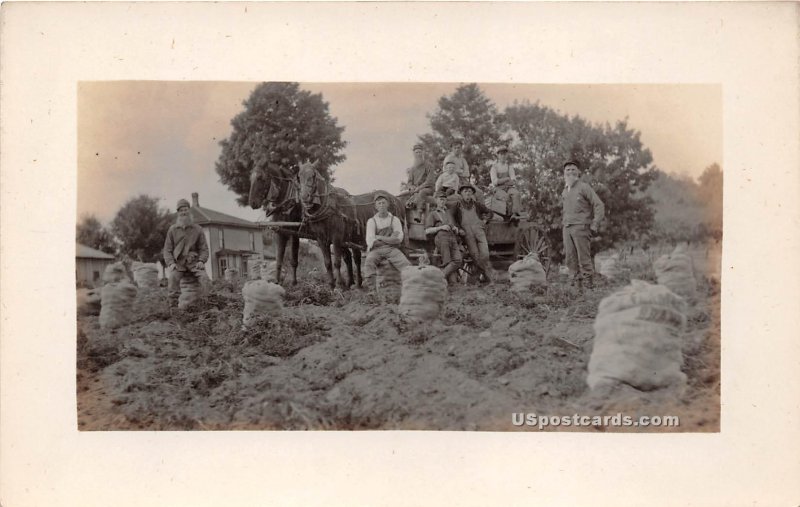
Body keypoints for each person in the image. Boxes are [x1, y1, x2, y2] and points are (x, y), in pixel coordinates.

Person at [561, 160, 605, 290]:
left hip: (581, 227)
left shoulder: (584, 187)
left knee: (584, 259)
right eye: (567, 169)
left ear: (578, 172)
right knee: (570, 259)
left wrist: (595, 223)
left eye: (573, 169)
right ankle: (577, 290)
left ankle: (589, 288)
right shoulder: (565, 190)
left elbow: (599, 204)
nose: (570, 172)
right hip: (567, 228)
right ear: (564, 173)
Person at [163, 198, 209, 308]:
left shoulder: (197, 229)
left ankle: (208, 302)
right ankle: (173, 306)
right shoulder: (172, 230)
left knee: (204, 278)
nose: (184, 212)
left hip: (194, 262)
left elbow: (204, 248)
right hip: (178, 263)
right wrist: (171, 263)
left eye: (185, 209)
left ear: (189, 211)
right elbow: (167, 249)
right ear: (178, 213)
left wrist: (202, 261)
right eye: (181, 210)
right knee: (172, 279)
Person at [362, 193, 411, 289]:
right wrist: (390, 238)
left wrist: (379, 237)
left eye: (383, 203)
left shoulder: (394, 220)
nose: (381, 205)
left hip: (392, 250)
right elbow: (371, 242)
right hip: (376, 250)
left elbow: (398, 239)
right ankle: (372, 290)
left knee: (407, 266)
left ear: (388, 204)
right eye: (379, 203)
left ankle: (409, 287)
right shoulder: (372, 221)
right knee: (369, 263)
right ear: (376, 206)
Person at [453, 183, 494, 284]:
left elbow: (490, 212)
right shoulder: (457, 206)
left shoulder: (477, 205)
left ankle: (478, 277)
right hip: (467, 234)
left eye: (469, 192)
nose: (467, 193)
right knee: (475, 255)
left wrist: (484, 220)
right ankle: (482, 278)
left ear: (472, 194)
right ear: (461, 194)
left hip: (479, 232)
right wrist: (459, 229)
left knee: (485, 255)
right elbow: (453, 220)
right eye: (465, 191)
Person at [425, 190, 463, 284]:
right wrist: (440, 227)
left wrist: (455, 228)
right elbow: (427, 230)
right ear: (436, 201)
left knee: (458, 260)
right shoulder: (433, 214)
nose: (442, 201)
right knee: (447, 261)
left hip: (452, 237)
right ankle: (451, 281)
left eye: (444, 199)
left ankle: (439, 277)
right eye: (440, 199)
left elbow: (453, 225)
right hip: (441, 238)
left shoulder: (449, 213)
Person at [489, 146, 522, 218]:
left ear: (507, 155)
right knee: (506, 197)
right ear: (498, 155)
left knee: (516, 194)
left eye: (504, 154)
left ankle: (514, 215)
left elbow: (513, 181)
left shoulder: (509, 167)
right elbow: (495, 182)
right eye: (501, 154)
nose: (503, 156)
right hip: (498, 189)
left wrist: (503, 181)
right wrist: (507, 178)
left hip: (509, 188)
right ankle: (507, 216)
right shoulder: (494, 167)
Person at [405, 143, 436, 213]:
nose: (418, 154)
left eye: (420, 152)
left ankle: (419, 210)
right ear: (414, 154)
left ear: (423, 153)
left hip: (428, 189)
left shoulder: (429, 166)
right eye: (416, 152)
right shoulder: (412, 169)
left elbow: (430, 181)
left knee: (422, 192)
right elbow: (409, 182)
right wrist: (411, 187)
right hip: (415, 189)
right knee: (402, 196)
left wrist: (418, 188)